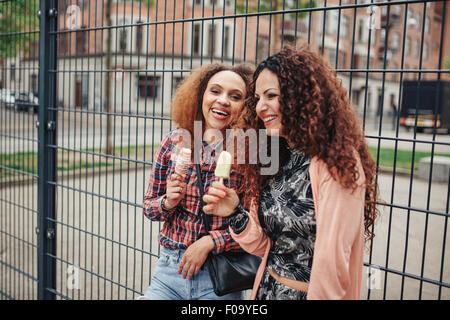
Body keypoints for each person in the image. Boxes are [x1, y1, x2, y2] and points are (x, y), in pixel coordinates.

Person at [202, 46, 379, 300]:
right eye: (258, 97)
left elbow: (332, 268)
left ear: (302, 97)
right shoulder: (278, 156)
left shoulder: (336, 163)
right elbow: (267, 248)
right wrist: (234, 212)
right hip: (265, 291)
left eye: (271, 95)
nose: (261, 106)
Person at [139, 63, 253, 300]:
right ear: (201, 95)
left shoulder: (250, 155)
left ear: (246, 107)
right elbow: (150, 208)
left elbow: (257, 227)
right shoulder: (173, 142)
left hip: (220, 277)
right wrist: (168, 202)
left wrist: (211, 242)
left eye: (235, 96)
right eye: (215, 91)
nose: (222, 100)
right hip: (169, 272)